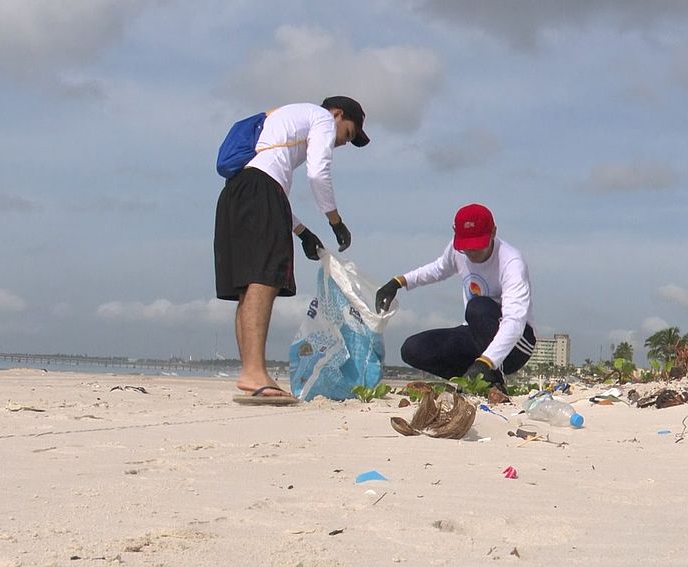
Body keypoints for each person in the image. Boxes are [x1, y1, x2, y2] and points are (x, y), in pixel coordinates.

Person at [215, 96, 369, 399]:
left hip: (236, 193)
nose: (342, 144)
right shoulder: (321, 118)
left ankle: (250, 372)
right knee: (263, 279)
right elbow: (317, 173)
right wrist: (335, 221)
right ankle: (254, 372)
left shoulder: (279, 126)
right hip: (261, 191)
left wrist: (302, 232)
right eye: (348, 134)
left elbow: (269, 186)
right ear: (337, 115)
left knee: (246, 287)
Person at [375, 203, 536, 394]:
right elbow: (438, 269)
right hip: (475, 335)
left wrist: (488, 361)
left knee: (478, 308)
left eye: (478, 246)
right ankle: (472, 381)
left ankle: (494, 381)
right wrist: (399, 282)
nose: (472, 253)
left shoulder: (511, 262)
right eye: (466, 248)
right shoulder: (456, 249)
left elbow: (514, 321)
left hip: (517, 344)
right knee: (412, 349)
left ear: (493, 232)